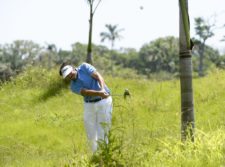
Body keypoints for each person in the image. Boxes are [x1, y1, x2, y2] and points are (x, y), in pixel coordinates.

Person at [59, 62, 113, 152]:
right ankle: (95, 157)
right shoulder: (73, 86)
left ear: (73, 68)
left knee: (103, 130)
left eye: (70, 73)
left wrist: (102, 89)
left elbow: (98, 76)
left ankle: (104, 155)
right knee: (90, 133)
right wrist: (99, 93)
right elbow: (86, 92)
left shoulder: (84, 67)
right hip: (89, 105)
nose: (69, 76)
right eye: (67, 75)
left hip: (104, 102)